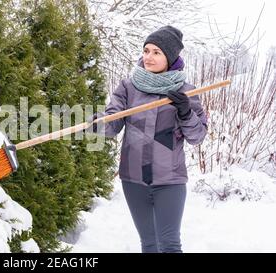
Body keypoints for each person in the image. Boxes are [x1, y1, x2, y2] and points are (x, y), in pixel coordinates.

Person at [88, 25, 208, 253]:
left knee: (170, 245)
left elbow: (197, 136)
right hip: (133, 179)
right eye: (146, 50)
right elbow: (113, 122)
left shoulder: (186, 92)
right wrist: (99, 123)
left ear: (170, 57)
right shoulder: (129, 87)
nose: (148, 57)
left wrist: (185, 112)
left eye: (156, 52)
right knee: (149, 244)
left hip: (169, 179)